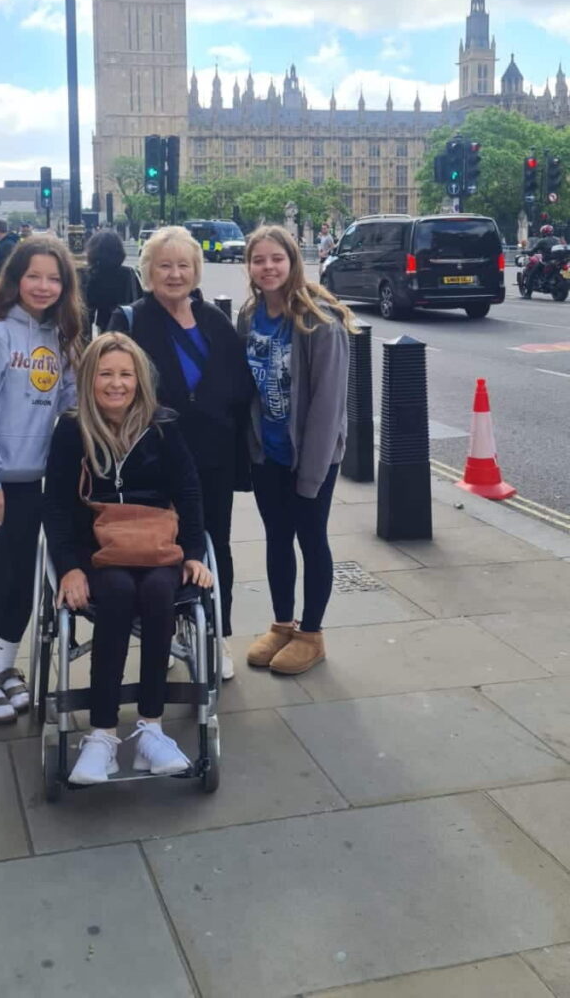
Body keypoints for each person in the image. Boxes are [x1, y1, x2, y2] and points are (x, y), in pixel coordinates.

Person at [43, 332, 211, 784]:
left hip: (156, 542)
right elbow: (57, 506)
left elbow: (190, 492)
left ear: (139, 380)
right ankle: (102, 736)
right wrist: (70, 567)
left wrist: (194, 554)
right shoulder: (71, 430)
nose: (116, 384)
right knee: (116, 592)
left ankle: (151, 731)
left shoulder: (163, 426)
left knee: (159, 592)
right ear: (88, 379)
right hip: (94, 549)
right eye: (106, 374)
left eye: (125, 374)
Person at [0, 236, 83, 725]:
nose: (43, 287)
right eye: (34, 276)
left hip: (30, 482)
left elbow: (69, 406)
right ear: (15, 278)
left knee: (25, 584)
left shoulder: (59, 337)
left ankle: (6, 671)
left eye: (53, 278)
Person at [109, 225, 253, 680]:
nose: (174, 274)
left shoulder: (214, 320)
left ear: (196, 270)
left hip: (212, 459)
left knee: (215, 548)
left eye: (183, 265)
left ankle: (218, 636)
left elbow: (239, 385)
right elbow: (113, 389)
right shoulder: (129, 320)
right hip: (153, 461)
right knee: (162, 548)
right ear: (148, 270)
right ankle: (166, 628)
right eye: (164, 265)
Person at [238, 225, 358, 676]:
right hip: (268, 453)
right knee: (276, 540)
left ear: (292, 262)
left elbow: (328, 405)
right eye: (259, 260)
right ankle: (282, 624)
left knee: (311, 539)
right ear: (249, 266)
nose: (268, 267)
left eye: (276, 259)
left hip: (312, 456)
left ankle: (312, 634)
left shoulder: (319, 320)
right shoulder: (249, 316)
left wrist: (310, 473)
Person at [82, 228, 142, 333]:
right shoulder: (130, 273)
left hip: (106, 327)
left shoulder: (94, 276)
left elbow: (88, 312)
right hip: (130, 327)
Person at [523, 225, 559, 296]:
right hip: (557, 261)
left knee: (532, 274)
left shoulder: (542, 241)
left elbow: (532, 251)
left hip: (546, 261)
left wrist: (525, 252)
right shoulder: (557, 240)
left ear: (543, 232)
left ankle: (528, 294)